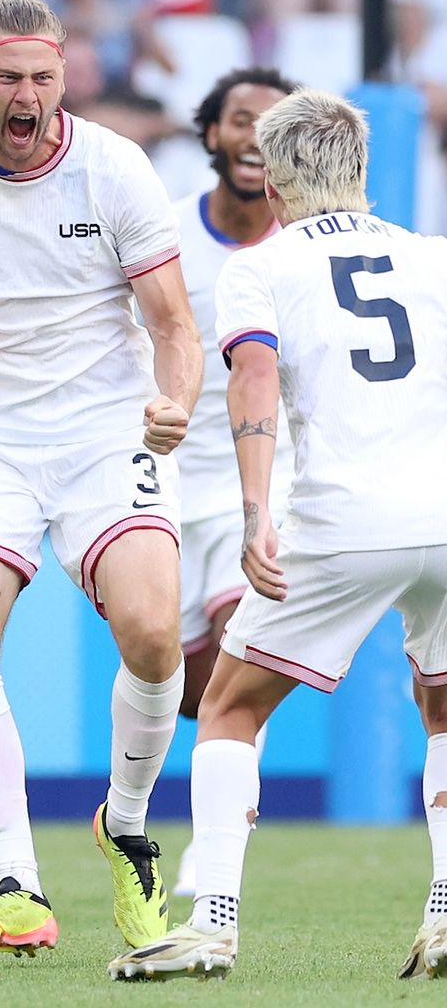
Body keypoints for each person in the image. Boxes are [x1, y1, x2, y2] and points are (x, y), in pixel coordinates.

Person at [0, 0, 202, 958]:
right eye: (11, 77)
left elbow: (175, 327)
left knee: (155, 636)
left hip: (109, 434)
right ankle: (18, 885)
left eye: (45, 76)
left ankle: (129, 824)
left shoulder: (115, 169)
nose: (30, 95)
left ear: (65, 74)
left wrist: (177, 400)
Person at [109, 88, 447, 982]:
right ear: (363, 171)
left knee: (228, 705)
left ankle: (213, 920)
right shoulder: (434, 258)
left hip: (343, 520)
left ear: (276, 176)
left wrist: (259, 512)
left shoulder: (260, 266)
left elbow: (253, 380)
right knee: (446, 709)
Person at [170, 66, 297, 898]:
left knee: (235, 643)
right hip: (167, 476)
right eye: (240, 119)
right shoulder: (165, 234)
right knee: (179, 686)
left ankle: (209, 858)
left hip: (269, 473)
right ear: (211, 133)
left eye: (270, 123)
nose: (253, 135)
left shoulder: (307, 247)